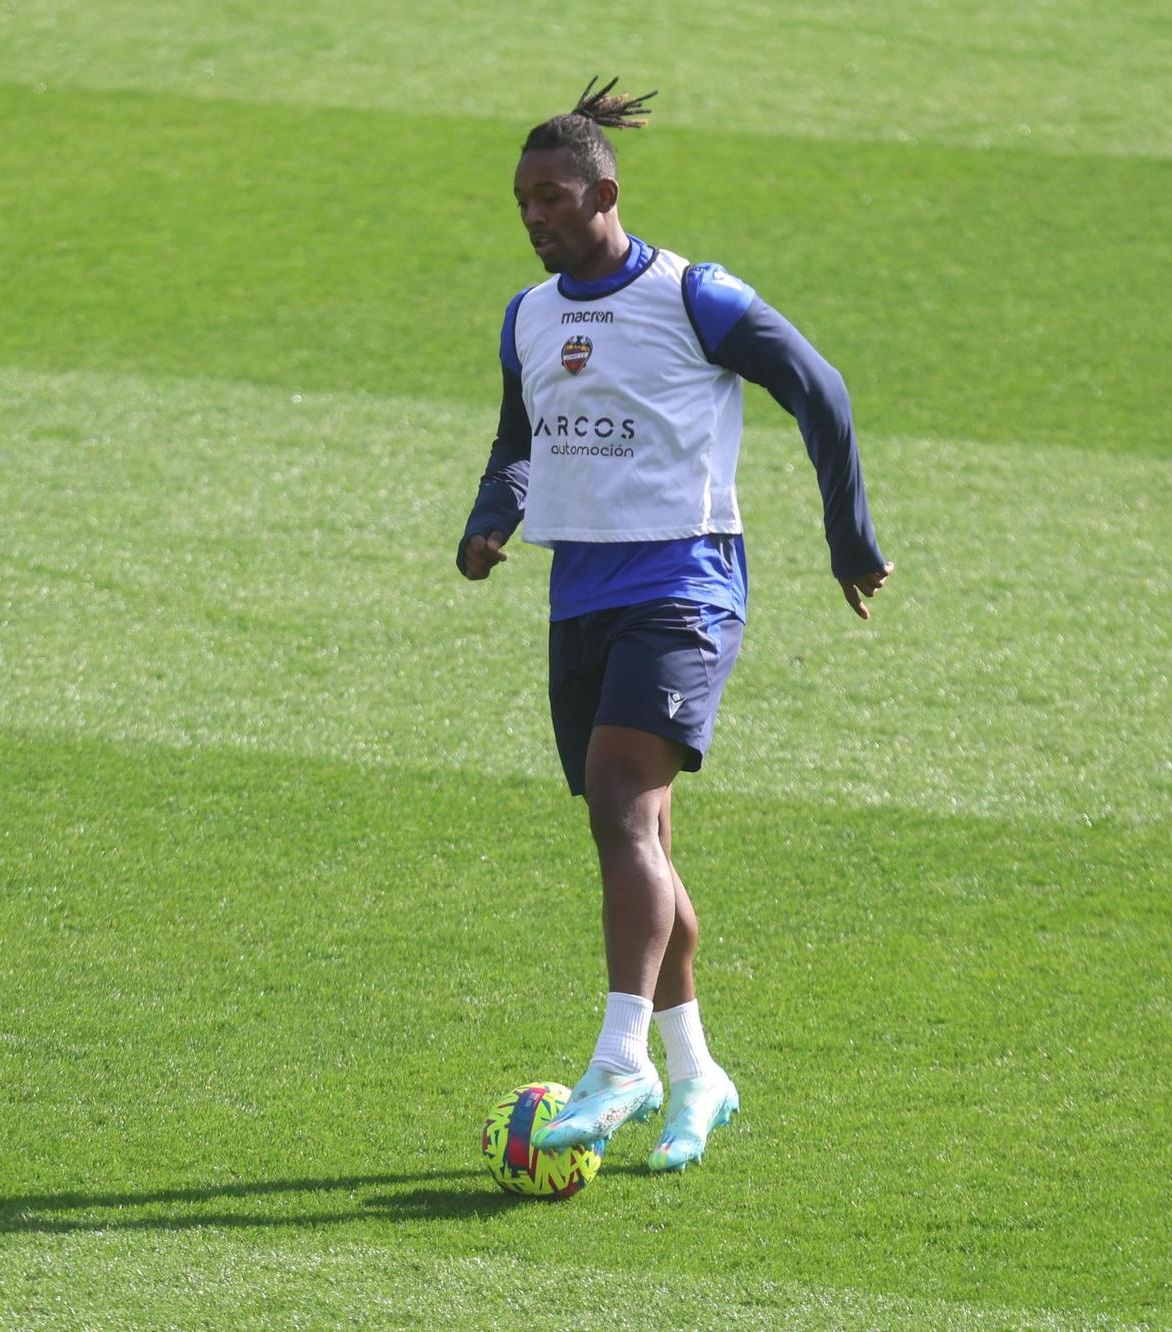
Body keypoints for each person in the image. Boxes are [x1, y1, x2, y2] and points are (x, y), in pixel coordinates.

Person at [458, 78, 894, 1171]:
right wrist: (487, 520)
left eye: (552, 196)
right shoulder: (528, 315)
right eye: (521, 202)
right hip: (580, 595)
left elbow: (820, 389)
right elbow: (522, 438)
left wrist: (845, 535)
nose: (534, 216)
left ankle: (619, 1062)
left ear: (603, 190)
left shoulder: (693, 296)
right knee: (636, 841)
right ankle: (698, 1072)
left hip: (682, 587)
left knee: (619, 803)